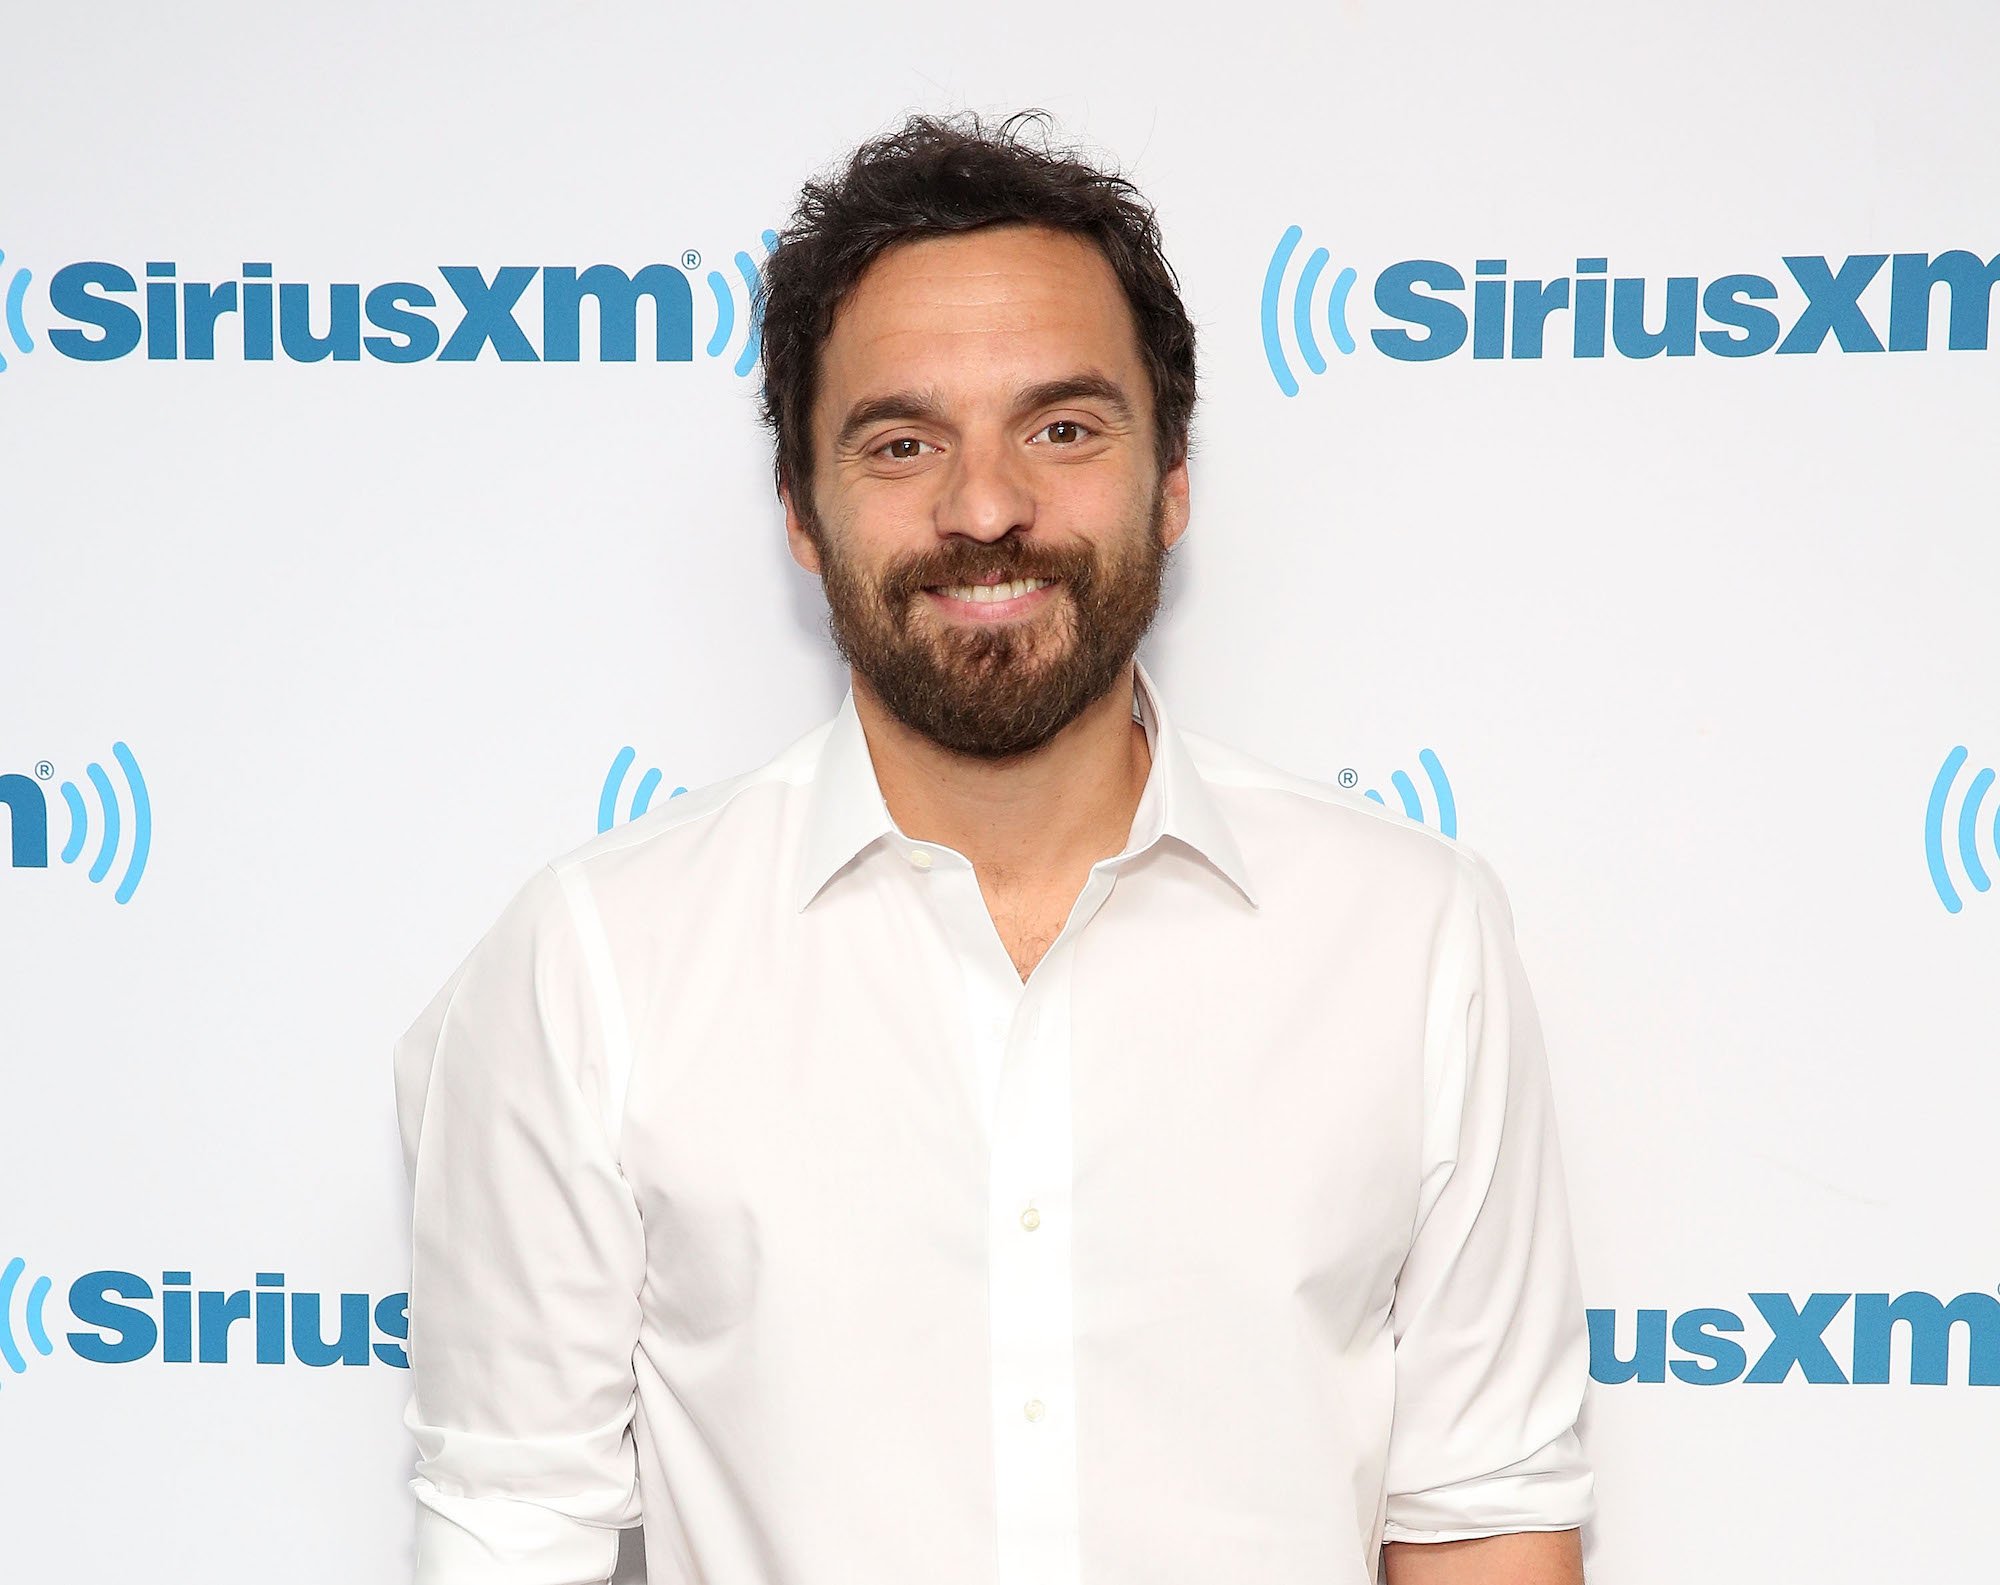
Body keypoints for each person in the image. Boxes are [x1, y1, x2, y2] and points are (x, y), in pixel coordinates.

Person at [392, 108, 1595, 1585]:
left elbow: (1485, 1513)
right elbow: (512, 1529)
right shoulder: (594, 962)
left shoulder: (1412, 935)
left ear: (1173, 481)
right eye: (903, 442)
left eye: (1063, 427)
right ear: (801, 518)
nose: (986, 508)